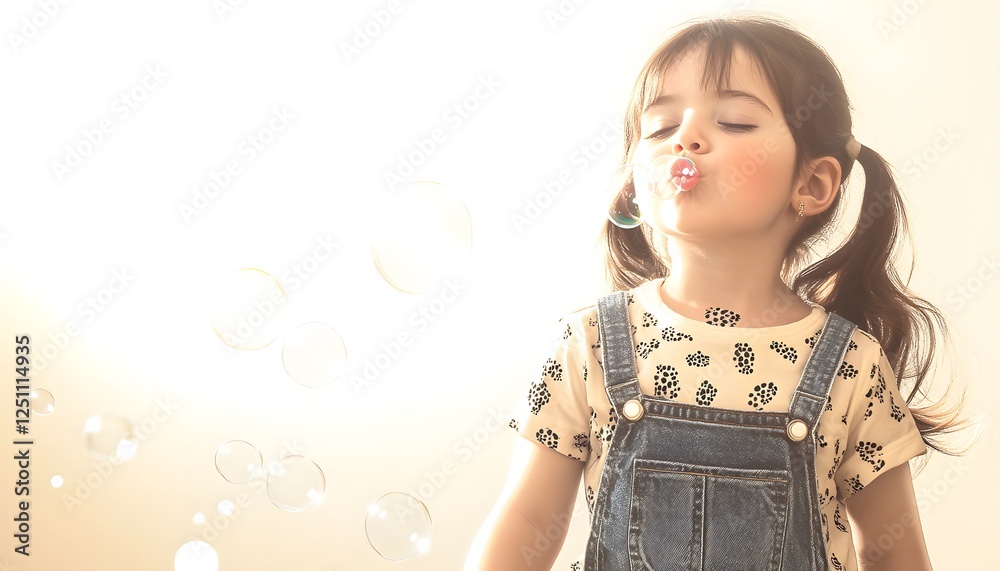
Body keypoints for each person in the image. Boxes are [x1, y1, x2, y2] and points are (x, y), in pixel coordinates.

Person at [465, 13, 980, 571]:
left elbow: (894, 551)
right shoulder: (587, 344)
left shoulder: (851, 364)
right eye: (660, 128)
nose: (683, 138)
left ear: (812, 184)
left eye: (735, 122)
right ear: (634, 185)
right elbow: (527, 520)